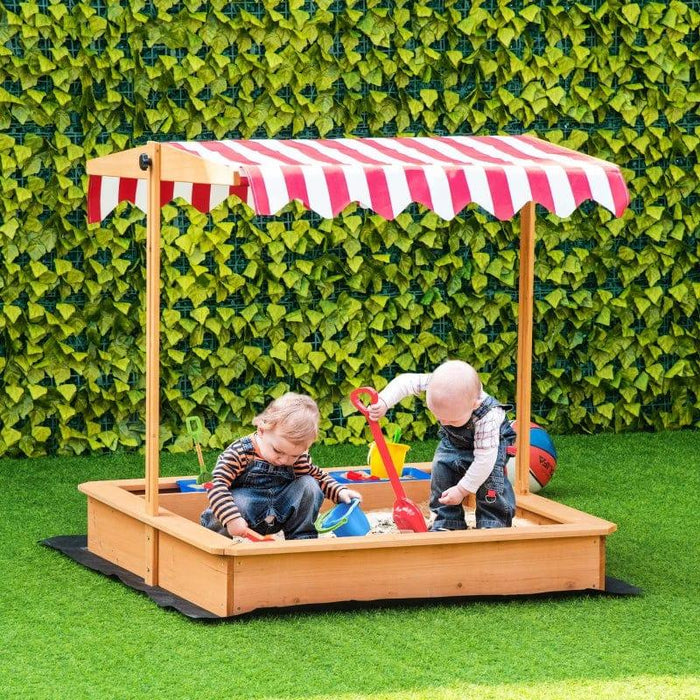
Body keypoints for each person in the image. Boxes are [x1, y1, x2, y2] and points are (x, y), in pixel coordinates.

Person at [367, 360, 516, 530]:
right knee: (441, 468)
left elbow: (484, 461)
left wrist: (461, 490)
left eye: (451, 419)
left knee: (491, 482)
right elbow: (405, 382)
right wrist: (384, 402)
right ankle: (448, 521)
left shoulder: (489, 416)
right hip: (453, 442)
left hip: (490, 447)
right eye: (438, 416)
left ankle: (493, 523)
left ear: (474, 405)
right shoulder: (437, 384)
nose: (444, 422)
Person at [201, 393, 362, 540]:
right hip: (241, 517)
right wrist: (231, 517)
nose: (284, 460)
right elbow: (215, 483)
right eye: (278, 451)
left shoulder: (296, 458)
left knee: (309, 485)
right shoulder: (241, 452)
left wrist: (340, 491)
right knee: (232, 504)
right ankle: (217, 538)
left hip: (278, 512)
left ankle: (302, 539)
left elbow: (317, 477)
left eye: (294, 455)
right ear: (262, 430)